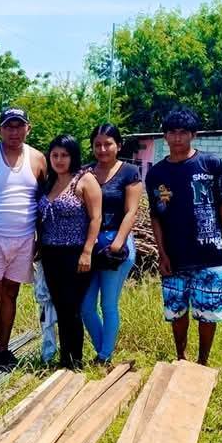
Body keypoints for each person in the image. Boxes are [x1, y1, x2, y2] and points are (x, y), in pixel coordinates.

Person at [146, 107, 222, 366]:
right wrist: (162, 253)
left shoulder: (211, 164)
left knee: (208, 313)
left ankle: (202, 362)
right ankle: (181, 358)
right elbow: (156, 215)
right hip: (174, 256)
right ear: (164, 136)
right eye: (172, 132)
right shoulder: (157, 174)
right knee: (176, 311)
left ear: (193, 134)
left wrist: (212, 231)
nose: (177, 138)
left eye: (183, 132)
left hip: (210, 255)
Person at [0, 107, 47, 370]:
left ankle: (3, 349)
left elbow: (43, 202)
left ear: (28, 128)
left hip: (24, 238)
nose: (14, 132)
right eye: (8, 127)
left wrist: (39, 238)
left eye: (19, 126)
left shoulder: (38, 159)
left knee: (11, 293)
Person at [37, 135, 101, 369]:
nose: (59, 160)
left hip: (75, 253)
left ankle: (75, 360)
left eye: (64, 155)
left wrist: (87, 252)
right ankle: (64, 358)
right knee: (59, 306)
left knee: (72, 307)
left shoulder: (84, 180)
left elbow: (96, 218)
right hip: (50, 253)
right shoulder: (50, 181)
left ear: (73, 156)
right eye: (55, 155)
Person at [81, 122, 143, 364]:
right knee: (86, 306)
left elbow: (131, 212)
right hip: (90, 246)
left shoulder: (129, 172)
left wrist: (117, 244)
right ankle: (103, 351)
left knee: (108, 304)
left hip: (116, 246)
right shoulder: (86, 172)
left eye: (108, 144)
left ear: (119, 145)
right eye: (97, 145)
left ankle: (104, 356)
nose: (102, 149)